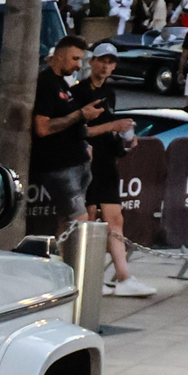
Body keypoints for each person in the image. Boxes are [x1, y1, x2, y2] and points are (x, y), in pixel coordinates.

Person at [82, 43, 154, 295]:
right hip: (85, 163)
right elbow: (81, 131)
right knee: (88, 221)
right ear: (92, 61)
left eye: (111, 62)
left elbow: (110, 129)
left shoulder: (110, 93)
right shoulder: (79, 91)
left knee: (115, 220)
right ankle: (88, 276)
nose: (105, 66)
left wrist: (125, 140)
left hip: (106, 162)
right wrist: (113, 126)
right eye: (102, 60)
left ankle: (123, 276)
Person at [32, 35, 100, 230]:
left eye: (80, 59)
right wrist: (80, 114)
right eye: (75, 58)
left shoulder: (63, 84)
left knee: (66, 220)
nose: (78, 65)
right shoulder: (46, 84)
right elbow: (42, 127)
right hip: (59, 165)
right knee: (79, 221)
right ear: (60, 56)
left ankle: (64, 258)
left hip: (77, 160)